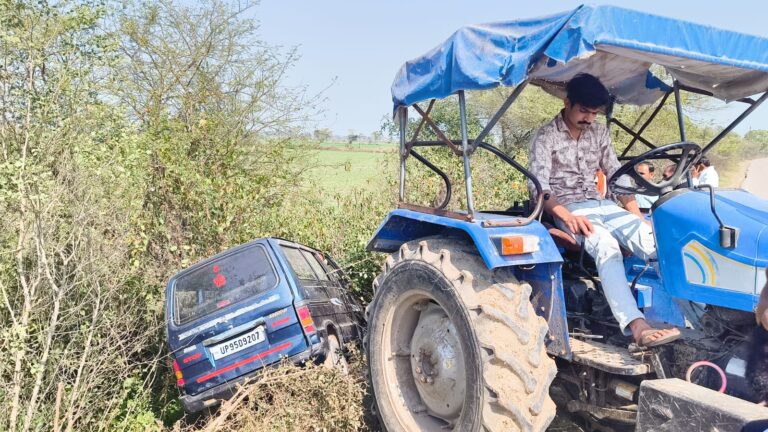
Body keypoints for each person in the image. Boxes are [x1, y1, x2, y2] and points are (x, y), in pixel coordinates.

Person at [528, 73, 680, 348]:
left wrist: (637, 217)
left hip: (602, 204)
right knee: (606, 246)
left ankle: (697, 319)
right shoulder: (546, 136)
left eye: (594, 112)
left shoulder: (598, 132)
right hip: (568, 207)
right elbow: (538, 186)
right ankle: (637, 326)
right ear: (567, 102)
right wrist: (567, 216)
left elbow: (616, 175)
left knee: (656, 245)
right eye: (584, 110)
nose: (589, 118)